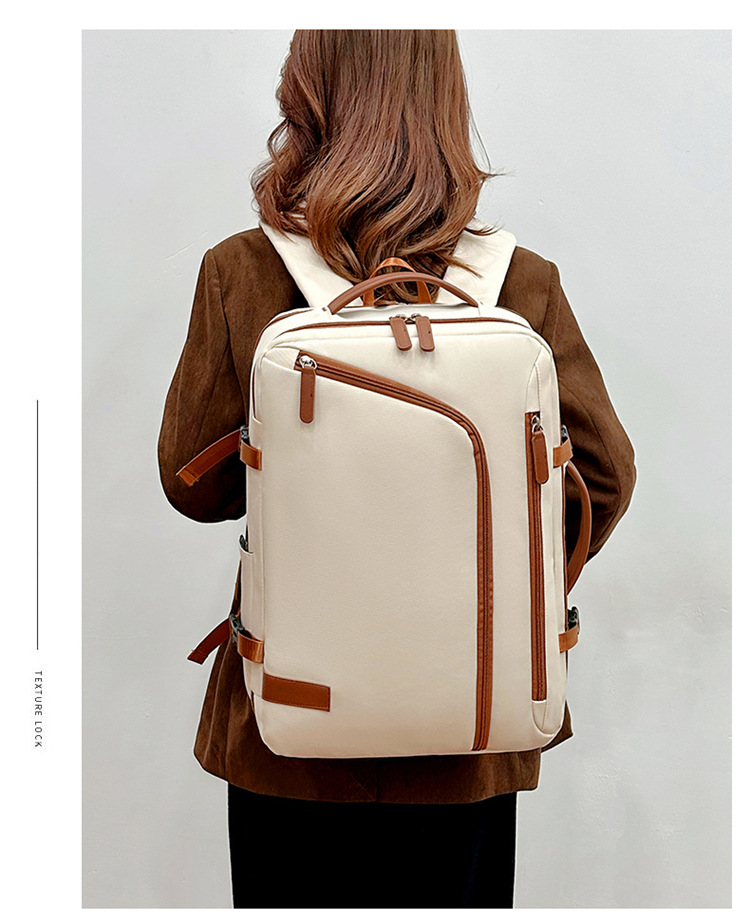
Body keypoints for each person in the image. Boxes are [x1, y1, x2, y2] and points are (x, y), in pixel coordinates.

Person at [158, 29, 636, 909]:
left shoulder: (243, 270)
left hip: (288, 736)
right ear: (443, 105)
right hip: (469, 726)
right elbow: (603, 476)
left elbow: (193, 484)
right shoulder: (517, 281)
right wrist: (497, 586)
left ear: (308, 97)